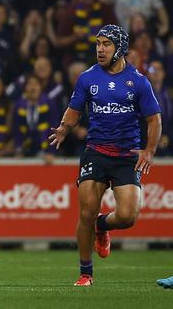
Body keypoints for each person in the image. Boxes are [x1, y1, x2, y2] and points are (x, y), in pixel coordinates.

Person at [48, 24, 162, 287]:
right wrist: (65, 129)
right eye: (98, 44)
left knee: (127, 217)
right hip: (96, 152)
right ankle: (85, 273)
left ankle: (103, 225)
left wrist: (149, 150)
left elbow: (153, 120)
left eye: (106, 44)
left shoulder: (139, 82)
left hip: (127, 155)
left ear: (119, 47)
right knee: (85, 212)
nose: (100, 49)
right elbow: (74, 110)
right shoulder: (88, 78)